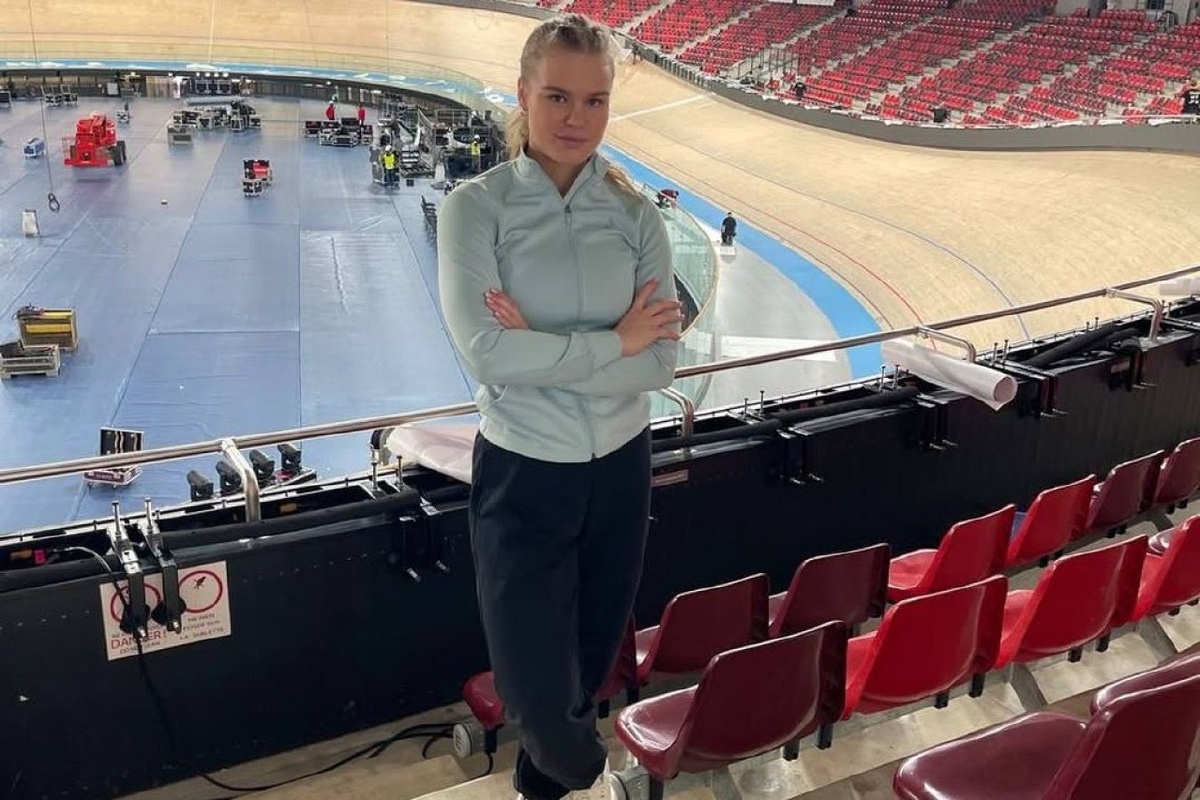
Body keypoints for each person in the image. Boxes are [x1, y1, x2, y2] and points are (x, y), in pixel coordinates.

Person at [437, 13, 681, 800]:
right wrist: (615, 342)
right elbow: (487, 355)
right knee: (538, 693)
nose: (577, 118)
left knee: (587, 665)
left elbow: (662, 361)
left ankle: (537, 793)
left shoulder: (636, 215)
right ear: (523, 94)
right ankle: (590, 774)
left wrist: (541, 350)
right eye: (558, 97)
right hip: (524, 472)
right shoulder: (476, 209)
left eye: (595, 100)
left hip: (621, 471)